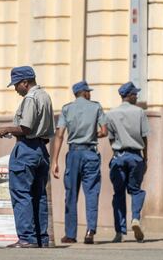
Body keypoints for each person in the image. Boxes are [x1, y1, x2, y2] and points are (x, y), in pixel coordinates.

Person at [0, 66, 55, 248]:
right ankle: (41, 238)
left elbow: (26, 128)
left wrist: (5, 129)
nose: (15, 89)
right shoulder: (45, 96)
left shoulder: (30, 98)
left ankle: (27, 238)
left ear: (25, 83)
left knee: (21, 194)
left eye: (16, 85)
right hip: (41, 150)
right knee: (39, 196)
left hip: (27, 149)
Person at [51, 80, 107, 244]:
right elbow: (104, 131)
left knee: (71, 194)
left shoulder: (67, 108)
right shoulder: (96, 107)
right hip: (91, 154)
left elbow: (60, 135)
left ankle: (70, 234)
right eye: (89, 91)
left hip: (74, 153)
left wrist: (54, 161)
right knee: (91, 193)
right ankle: (90, 231)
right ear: (86, 93)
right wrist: (92, 135)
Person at [106, 82, 149, 243]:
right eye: (135, 94)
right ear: (129, 95)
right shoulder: (139, 112)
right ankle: (135, 219)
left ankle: (119, 232)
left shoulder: (111, 114)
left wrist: (117, 152)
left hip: (118, 157)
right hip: (136, 156)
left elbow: (110, 138)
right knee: (136, 191)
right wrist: (145, 158)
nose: (137, 97)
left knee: (118, 194)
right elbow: (145, 137)